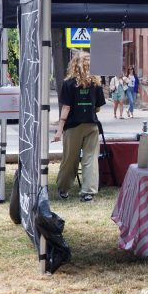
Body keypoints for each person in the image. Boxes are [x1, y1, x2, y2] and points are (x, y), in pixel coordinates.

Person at [53, 51, 105, 202]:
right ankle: (88, 192)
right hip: (91, 125)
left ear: (74, 64)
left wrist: (59, 130)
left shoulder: (68, 84)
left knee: (70, 159)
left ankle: (63, 189)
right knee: (90, 158)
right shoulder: (96, 83)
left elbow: (66, 108)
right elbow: (98, 107)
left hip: (73, 126)